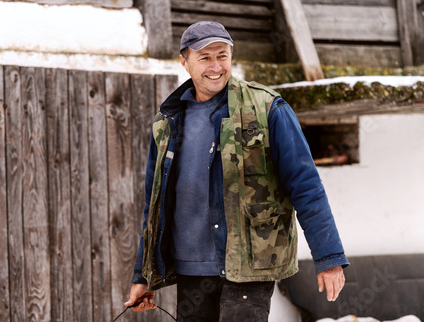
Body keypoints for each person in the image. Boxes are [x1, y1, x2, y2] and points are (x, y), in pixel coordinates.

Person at [125, 21, 349, 321]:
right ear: (184, 61)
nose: (216, 66)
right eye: (204, 57)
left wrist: (329, 257)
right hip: (191, 269)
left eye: (223, 55)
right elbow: (153, 208)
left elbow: (306, 184)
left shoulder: (268, 108)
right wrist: (144, 275)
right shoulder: (168, 122)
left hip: (250, 266)